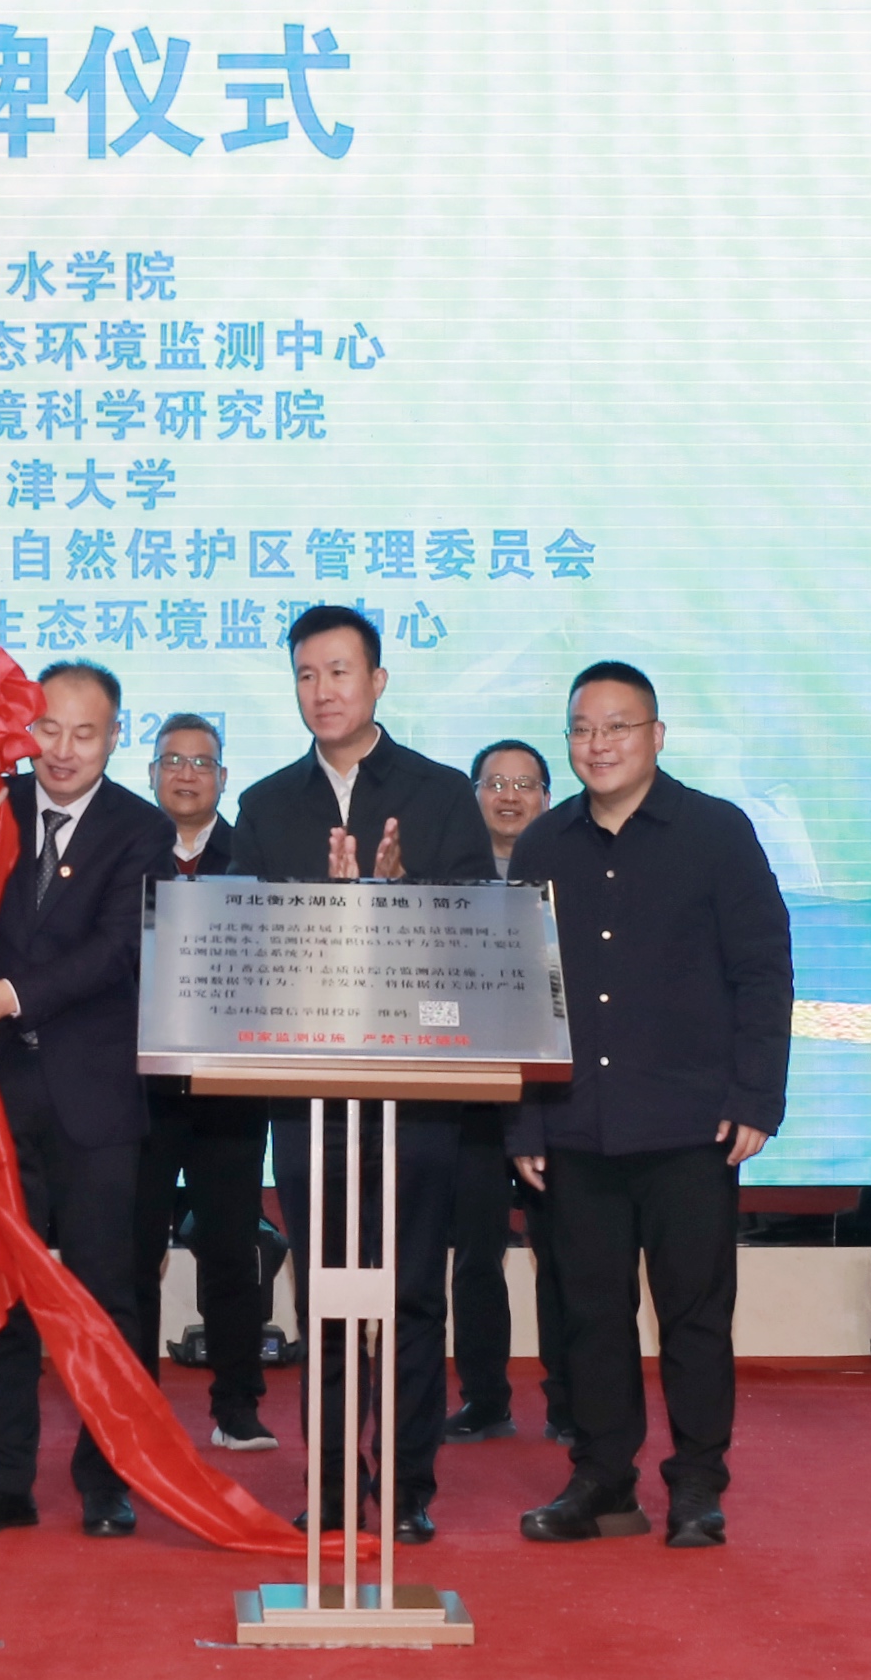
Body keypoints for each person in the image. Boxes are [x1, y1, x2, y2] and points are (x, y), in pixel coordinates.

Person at [507, 662, 794, 1551]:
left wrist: (756, 1095)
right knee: (589, 1318)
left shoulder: (716, 832)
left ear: (656, 736)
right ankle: (601, 1478)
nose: (598, 744)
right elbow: (520, 992)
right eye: (582, 729)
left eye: (617, 726)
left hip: (689, 1125)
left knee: (693, 1316)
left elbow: (762, 971)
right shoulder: (543, 845)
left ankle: (698, 1484)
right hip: (574, 1125)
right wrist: (522, 1120)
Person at [230, 604, 498, 1542]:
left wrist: (393, 896)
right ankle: (336, 1482)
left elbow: (475, 935)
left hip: (416, 1094)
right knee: (326, 1297)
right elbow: (248, 949)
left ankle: (409, 1486)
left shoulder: (438, 794)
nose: (322, 691)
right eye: (305, 675)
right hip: (308, 1096)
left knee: (412, 1295)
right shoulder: (265, 806)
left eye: (339, 672)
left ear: (377, 681)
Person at [0, 660, 173, 1539]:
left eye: (85, 733)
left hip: (95, 1099)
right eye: (48, 730)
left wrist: (10, 994)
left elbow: (120, 949)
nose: (64, 750)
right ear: (24, 731)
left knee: (105, 1297)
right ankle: (2, 1481)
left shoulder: (141, 829)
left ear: (115, 738)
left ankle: (109, 1477)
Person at [129, 713, 280, 1453]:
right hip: (139, 1090)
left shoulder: (252, 857)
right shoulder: (125, 852)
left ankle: (237, 1404)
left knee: (230, 1250)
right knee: (132, 1253)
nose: (185, 774)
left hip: (229, 1088)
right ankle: (133, 1407)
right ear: (151, 774)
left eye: (201, 762)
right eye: (172, 761)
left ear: (223, 777)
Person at [448, 739, 563, 1446]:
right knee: (475, 1255)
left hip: (555, 1094)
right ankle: (484, 1399)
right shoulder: (449, 877)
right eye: (495, 783)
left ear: (548, 797)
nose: (509, 796)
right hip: (473, 1096)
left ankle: (570, 1402)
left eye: (525, 784)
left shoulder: (573, 872)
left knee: (565, 1254)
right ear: (474, 796)